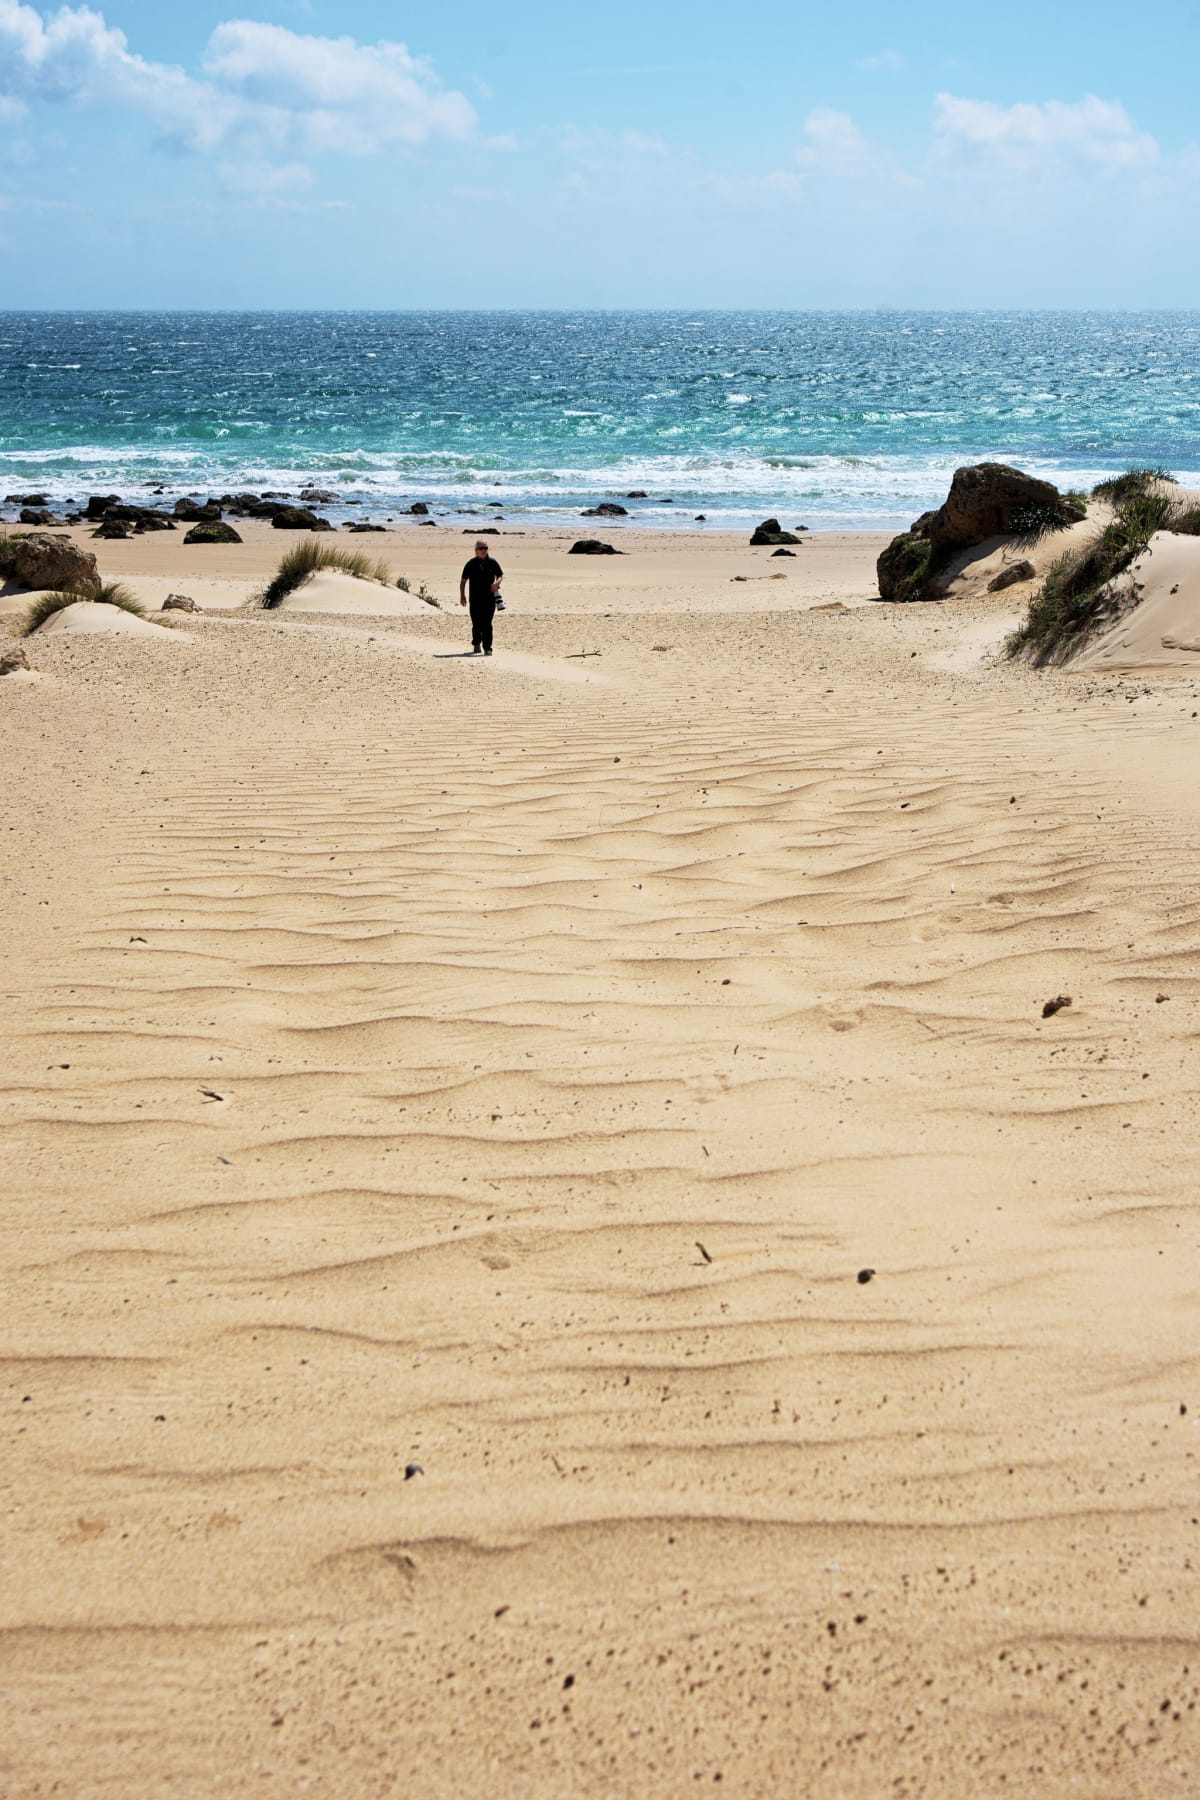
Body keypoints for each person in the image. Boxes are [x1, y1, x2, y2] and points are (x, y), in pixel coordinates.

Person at [459, 540, 503, 655]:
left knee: (487, 623)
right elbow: (463, 581)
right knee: (477, 623)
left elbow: (500, 575)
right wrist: (462, 595)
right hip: (475, 598)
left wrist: (497, 583)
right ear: (476, 550)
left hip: (489, 598)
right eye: (481, 548)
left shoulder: (492, 562)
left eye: (485, 548)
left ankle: (488, 648)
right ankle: (476, 643)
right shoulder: (471, 563)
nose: (484, 550)